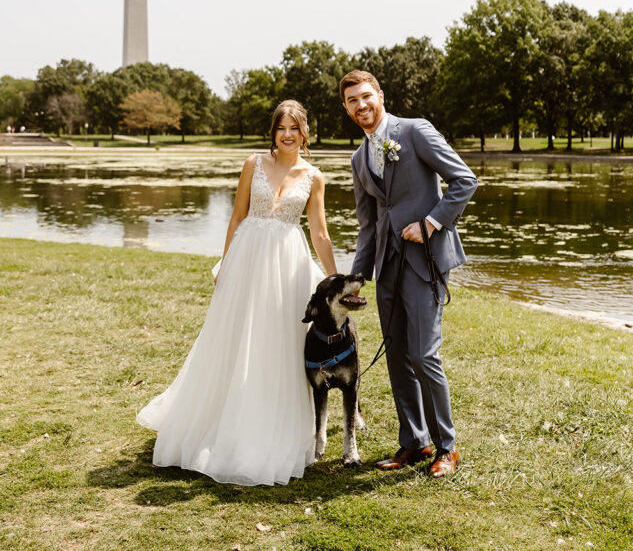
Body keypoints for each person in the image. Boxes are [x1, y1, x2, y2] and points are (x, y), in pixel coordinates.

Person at [137, 100, 337, 486]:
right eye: (281, 128)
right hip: (247, 260)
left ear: (304, 133)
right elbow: (236, 217)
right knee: (233, 340)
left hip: (287, 266)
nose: (287, 135)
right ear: (273, 132)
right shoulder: (253, 165)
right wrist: (225, 264)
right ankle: (219, 421)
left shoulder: (314, 177)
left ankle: (269, 426)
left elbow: (320, 233)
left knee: (278, 345)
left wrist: (336, 282)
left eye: (294, 129)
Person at [341, 70, 477, 478]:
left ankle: (447, 448)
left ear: (380, 95)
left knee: (423, 355)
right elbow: (368, 225)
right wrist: (357, 276)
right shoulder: (358, 157)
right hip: (387, 268)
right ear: (346, 108)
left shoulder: (415, 131)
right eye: (352, 101)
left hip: (425, 262)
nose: (361, 105)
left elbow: (464, 180)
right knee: (398, 358)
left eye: (366, 96)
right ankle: (414, 442)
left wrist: (431, 223)